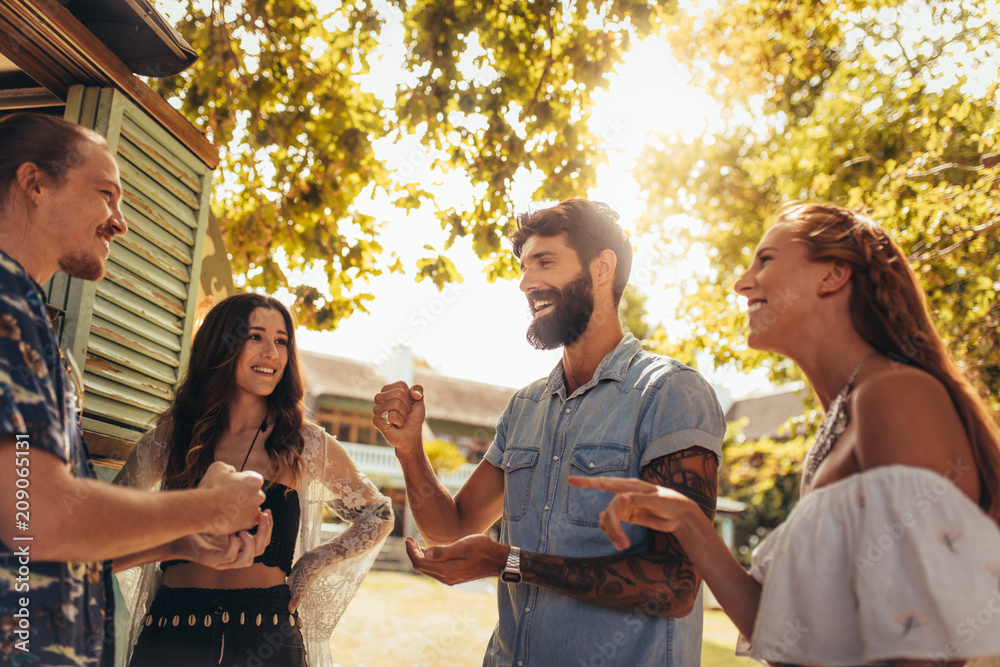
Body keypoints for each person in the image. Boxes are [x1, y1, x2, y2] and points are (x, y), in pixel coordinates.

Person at [573, 202, 1000, 666]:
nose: (742, 282)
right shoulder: (846, 417)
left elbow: (923, 645)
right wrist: (689, 521)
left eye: (767, 259)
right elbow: (787, 636)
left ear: (832, 275)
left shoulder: (894, 395)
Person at [373, 198, 727, 666]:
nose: (525, 283)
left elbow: (675, 584)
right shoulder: (525, 407)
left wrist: (510, 562)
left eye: (545, 262)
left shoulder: (669, 394)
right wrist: (409, 450)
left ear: (602, 268)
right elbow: (451, 527)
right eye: (523, 267)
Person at [0, 113, 268, 667]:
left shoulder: (23, 310)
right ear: (34, 183)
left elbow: (30, 543)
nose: (120, 223)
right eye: (105, 194)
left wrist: (178, 544)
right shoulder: (7, 308)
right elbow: (40, 521)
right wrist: (207, 508)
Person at [114, 292, 394, 667]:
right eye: (255, 336)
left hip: (265, 635)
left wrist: (313, 563)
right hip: (171, 629)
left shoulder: (303, 443)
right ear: (221, 345)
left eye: (281, 341)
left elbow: (378, 515)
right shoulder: (171, 436)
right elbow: (112, 518)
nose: (272, 353)